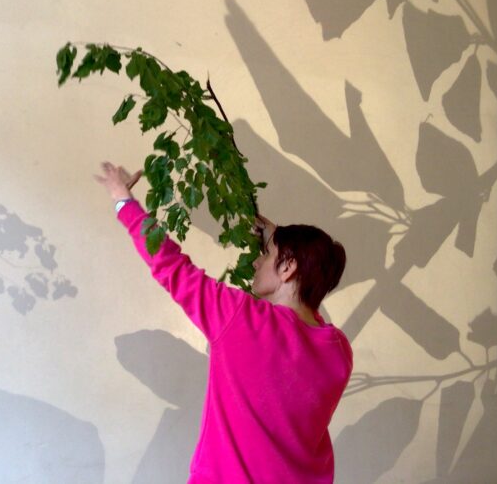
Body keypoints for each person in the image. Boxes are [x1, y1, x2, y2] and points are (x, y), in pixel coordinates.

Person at [94, 161, 352, 484]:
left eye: (268, 254)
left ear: (287, 268)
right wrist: (279, 240)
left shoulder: (240, 319)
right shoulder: (338, 351)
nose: (258, 260)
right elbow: (303, 322)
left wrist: (123, 201)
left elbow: (171, 265)